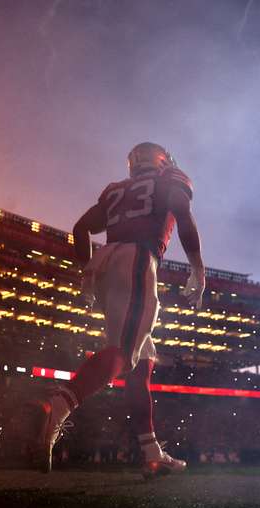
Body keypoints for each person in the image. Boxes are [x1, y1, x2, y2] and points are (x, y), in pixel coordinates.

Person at [32, 142, 205, 478]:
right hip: (138, 260)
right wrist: (198, 267)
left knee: (142, 364)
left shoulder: (117, 190)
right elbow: (182, 213)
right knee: (125, 354)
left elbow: (81, 229)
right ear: (162, 160)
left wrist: (89, 271)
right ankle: (60, 403)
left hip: (109, 262)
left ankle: (152, 453)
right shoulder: (169, 178)